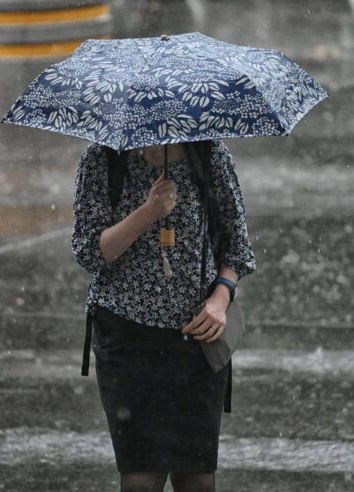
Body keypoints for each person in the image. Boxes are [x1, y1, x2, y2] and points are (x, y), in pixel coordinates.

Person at [71, 139, 257, 492]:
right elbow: (90, 253)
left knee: (197, 479)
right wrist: (148, 212)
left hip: (198, 338)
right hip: (126, 337)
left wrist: (219, 302)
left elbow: (237, 248)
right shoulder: (103, 158)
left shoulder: (209, 154)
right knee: (141, 477)